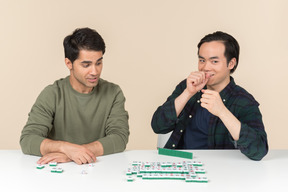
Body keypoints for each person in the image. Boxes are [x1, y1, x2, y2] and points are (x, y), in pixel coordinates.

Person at [151, 31, 268, 161]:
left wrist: (222, 112)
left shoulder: (243, 100)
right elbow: (157, 126)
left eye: (214, 61)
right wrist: (187, 93)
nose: (205, 67)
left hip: (220, 169)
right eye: (202, 60)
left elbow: (259, 150)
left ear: (231, 63)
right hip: (181, 161)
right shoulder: (187, 86)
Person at [20, 27, 129, 165]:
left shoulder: (113, 93)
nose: (94, 71)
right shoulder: (52, 94)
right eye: (86, 65)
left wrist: (75, 153)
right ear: (69, 63)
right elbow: (28, 139)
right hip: (56, 173)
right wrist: (66, 148)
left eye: (99, 63)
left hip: (99, 170)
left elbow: (119, 138)